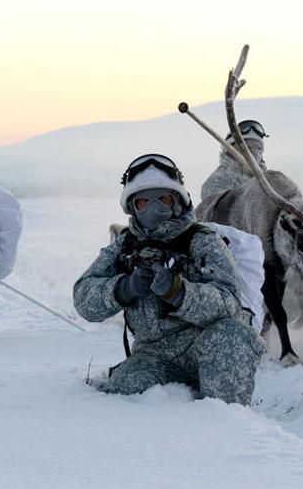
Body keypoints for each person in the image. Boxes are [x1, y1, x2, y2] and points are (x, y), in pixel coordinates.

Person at [73, 153, 266, 405]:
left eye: (163, 199)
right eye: (143, 202)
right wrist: (124, 288)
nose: (153, 209)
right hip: (154, 354)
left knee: (233, 334)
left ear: (177, 202)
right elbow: (84, 299)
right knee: (124, 396)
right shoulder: (124, 247)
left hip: (208, 344)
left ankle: (225, 424)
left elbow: (229, 303)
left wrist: (180, 292)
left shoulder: (203, 241)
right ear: (131, 207)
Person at [200, 119, 268, 201]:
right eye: (247, 147)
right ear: (231, 151)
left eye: (259, 148)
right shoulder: (216, 183)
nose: (254, 153)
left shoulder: (269, 182)